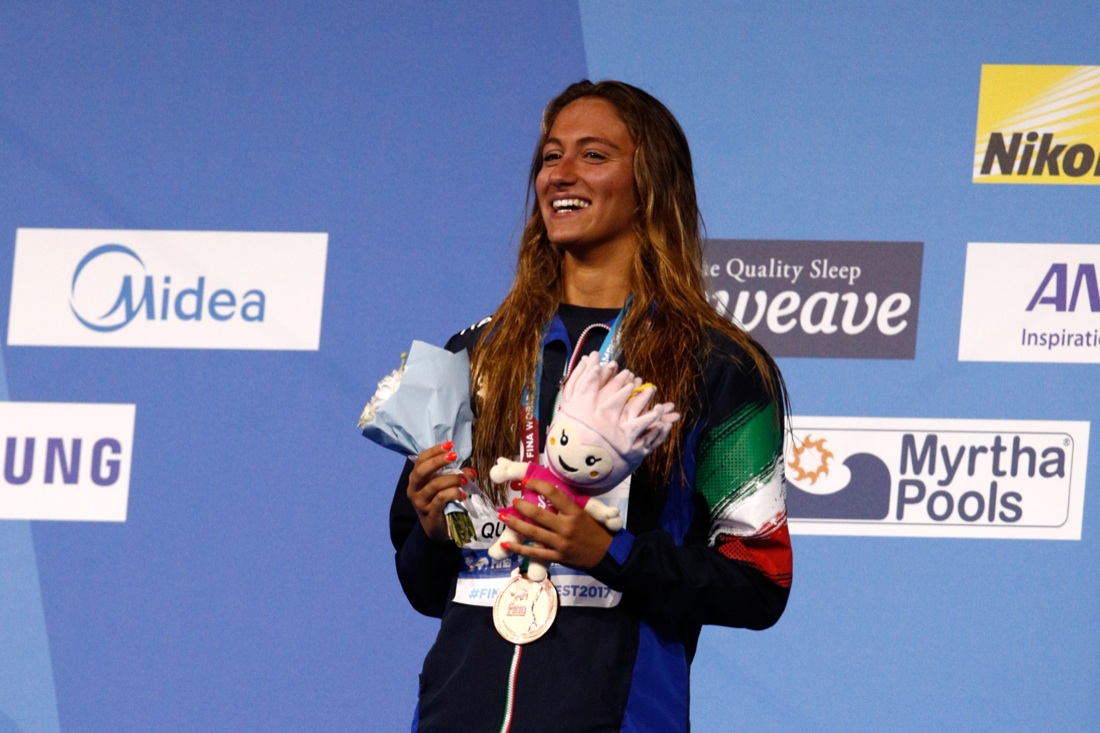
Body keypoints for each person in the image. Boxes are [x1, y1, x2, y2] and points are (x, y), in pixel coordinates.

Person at [390, 79, 792, 732]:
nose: (561, 174)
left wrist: (609, 549)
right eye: (551, 156)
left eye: (593, 155)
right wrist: (436, 531)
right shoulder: (467, 354)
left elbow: (760, 580)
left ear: (651, 183)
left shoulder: (720, 368)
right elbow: (421, 580)